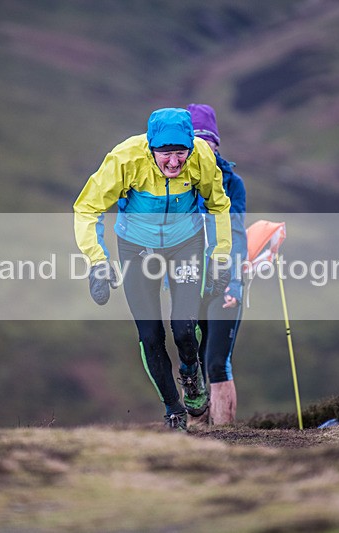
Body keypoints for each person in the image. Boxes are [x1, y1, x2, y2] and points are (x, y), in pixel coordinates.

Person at [73, 108, 232, 431]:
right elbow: (87, 207)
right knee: (150, 335)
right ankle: (173, 408)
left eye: (180, 153)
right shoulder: (125, 158)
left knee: (184, 328)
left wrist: (220, 256)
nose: (174, 163)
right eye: (166, 155)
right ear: (151, 148)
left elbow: (218, 205)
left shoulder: (201, 156)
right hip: (137, 247)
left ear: (190, 146)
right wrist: (97, 261)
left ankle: (191, 375)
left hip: (185, 244)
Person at [186, 104, 247, 426]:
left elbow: (236, 234)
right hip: (190, 281)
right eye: (196, 144)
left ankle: (224, 435)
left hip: (224, 281)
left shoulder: (232, 183)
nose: (203, 151)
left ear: (216, 144)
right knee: (192, 362)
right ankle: (198, 438)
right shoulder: (177, 182)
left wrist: (234, 282)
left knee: (216, 362)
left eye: (207, 143)